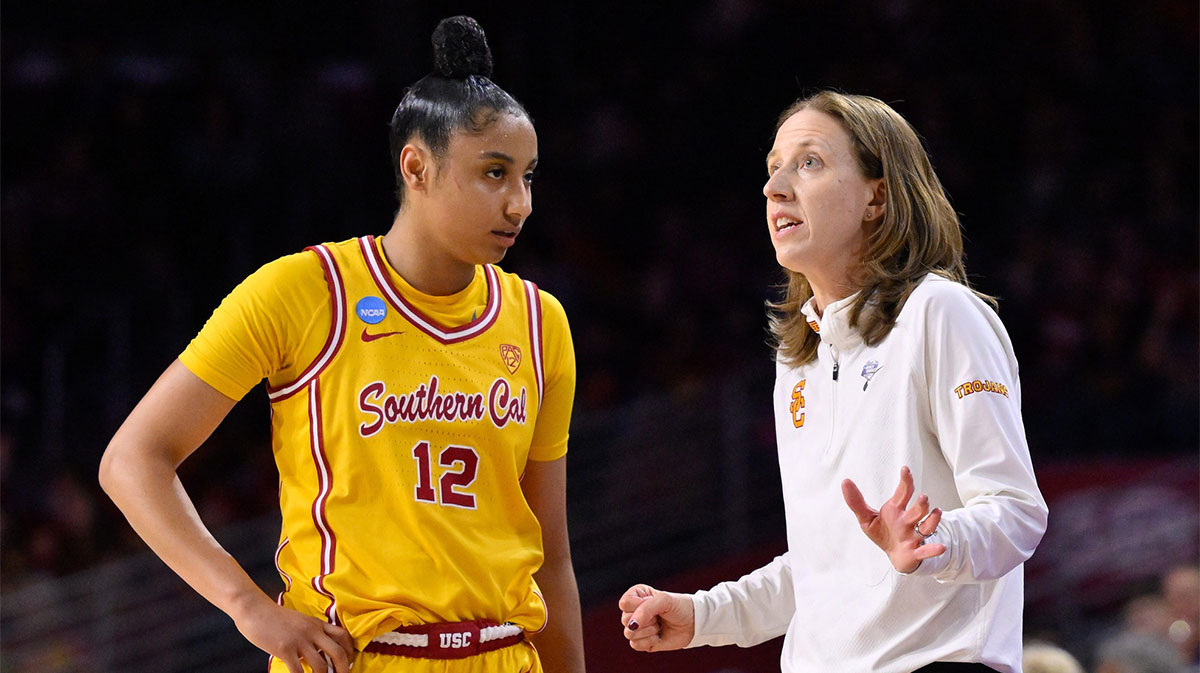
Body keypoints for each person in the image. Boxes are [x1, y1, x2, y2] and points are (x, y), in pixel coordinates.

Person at [99, 16, 585, 673]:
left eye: (527, 176)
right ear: (417, 165)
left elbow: (551, 553)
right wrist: (247, 604)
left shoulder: (538, 321)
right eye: (494, 173)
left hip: (504, 653)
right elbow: (132, 459)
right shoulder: (302, 291)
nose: (520, 202)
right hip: (356, 657)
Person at [619, 91, 1048, 672]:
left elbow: (1016, 512)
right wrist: (702, 615)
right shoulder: (797, 361)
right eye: (773, 169)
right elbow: (825, 568)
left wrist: (930, 543)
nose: (775, 188)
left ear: (877, 195)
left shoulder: (940, 314)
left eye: (810, 163)